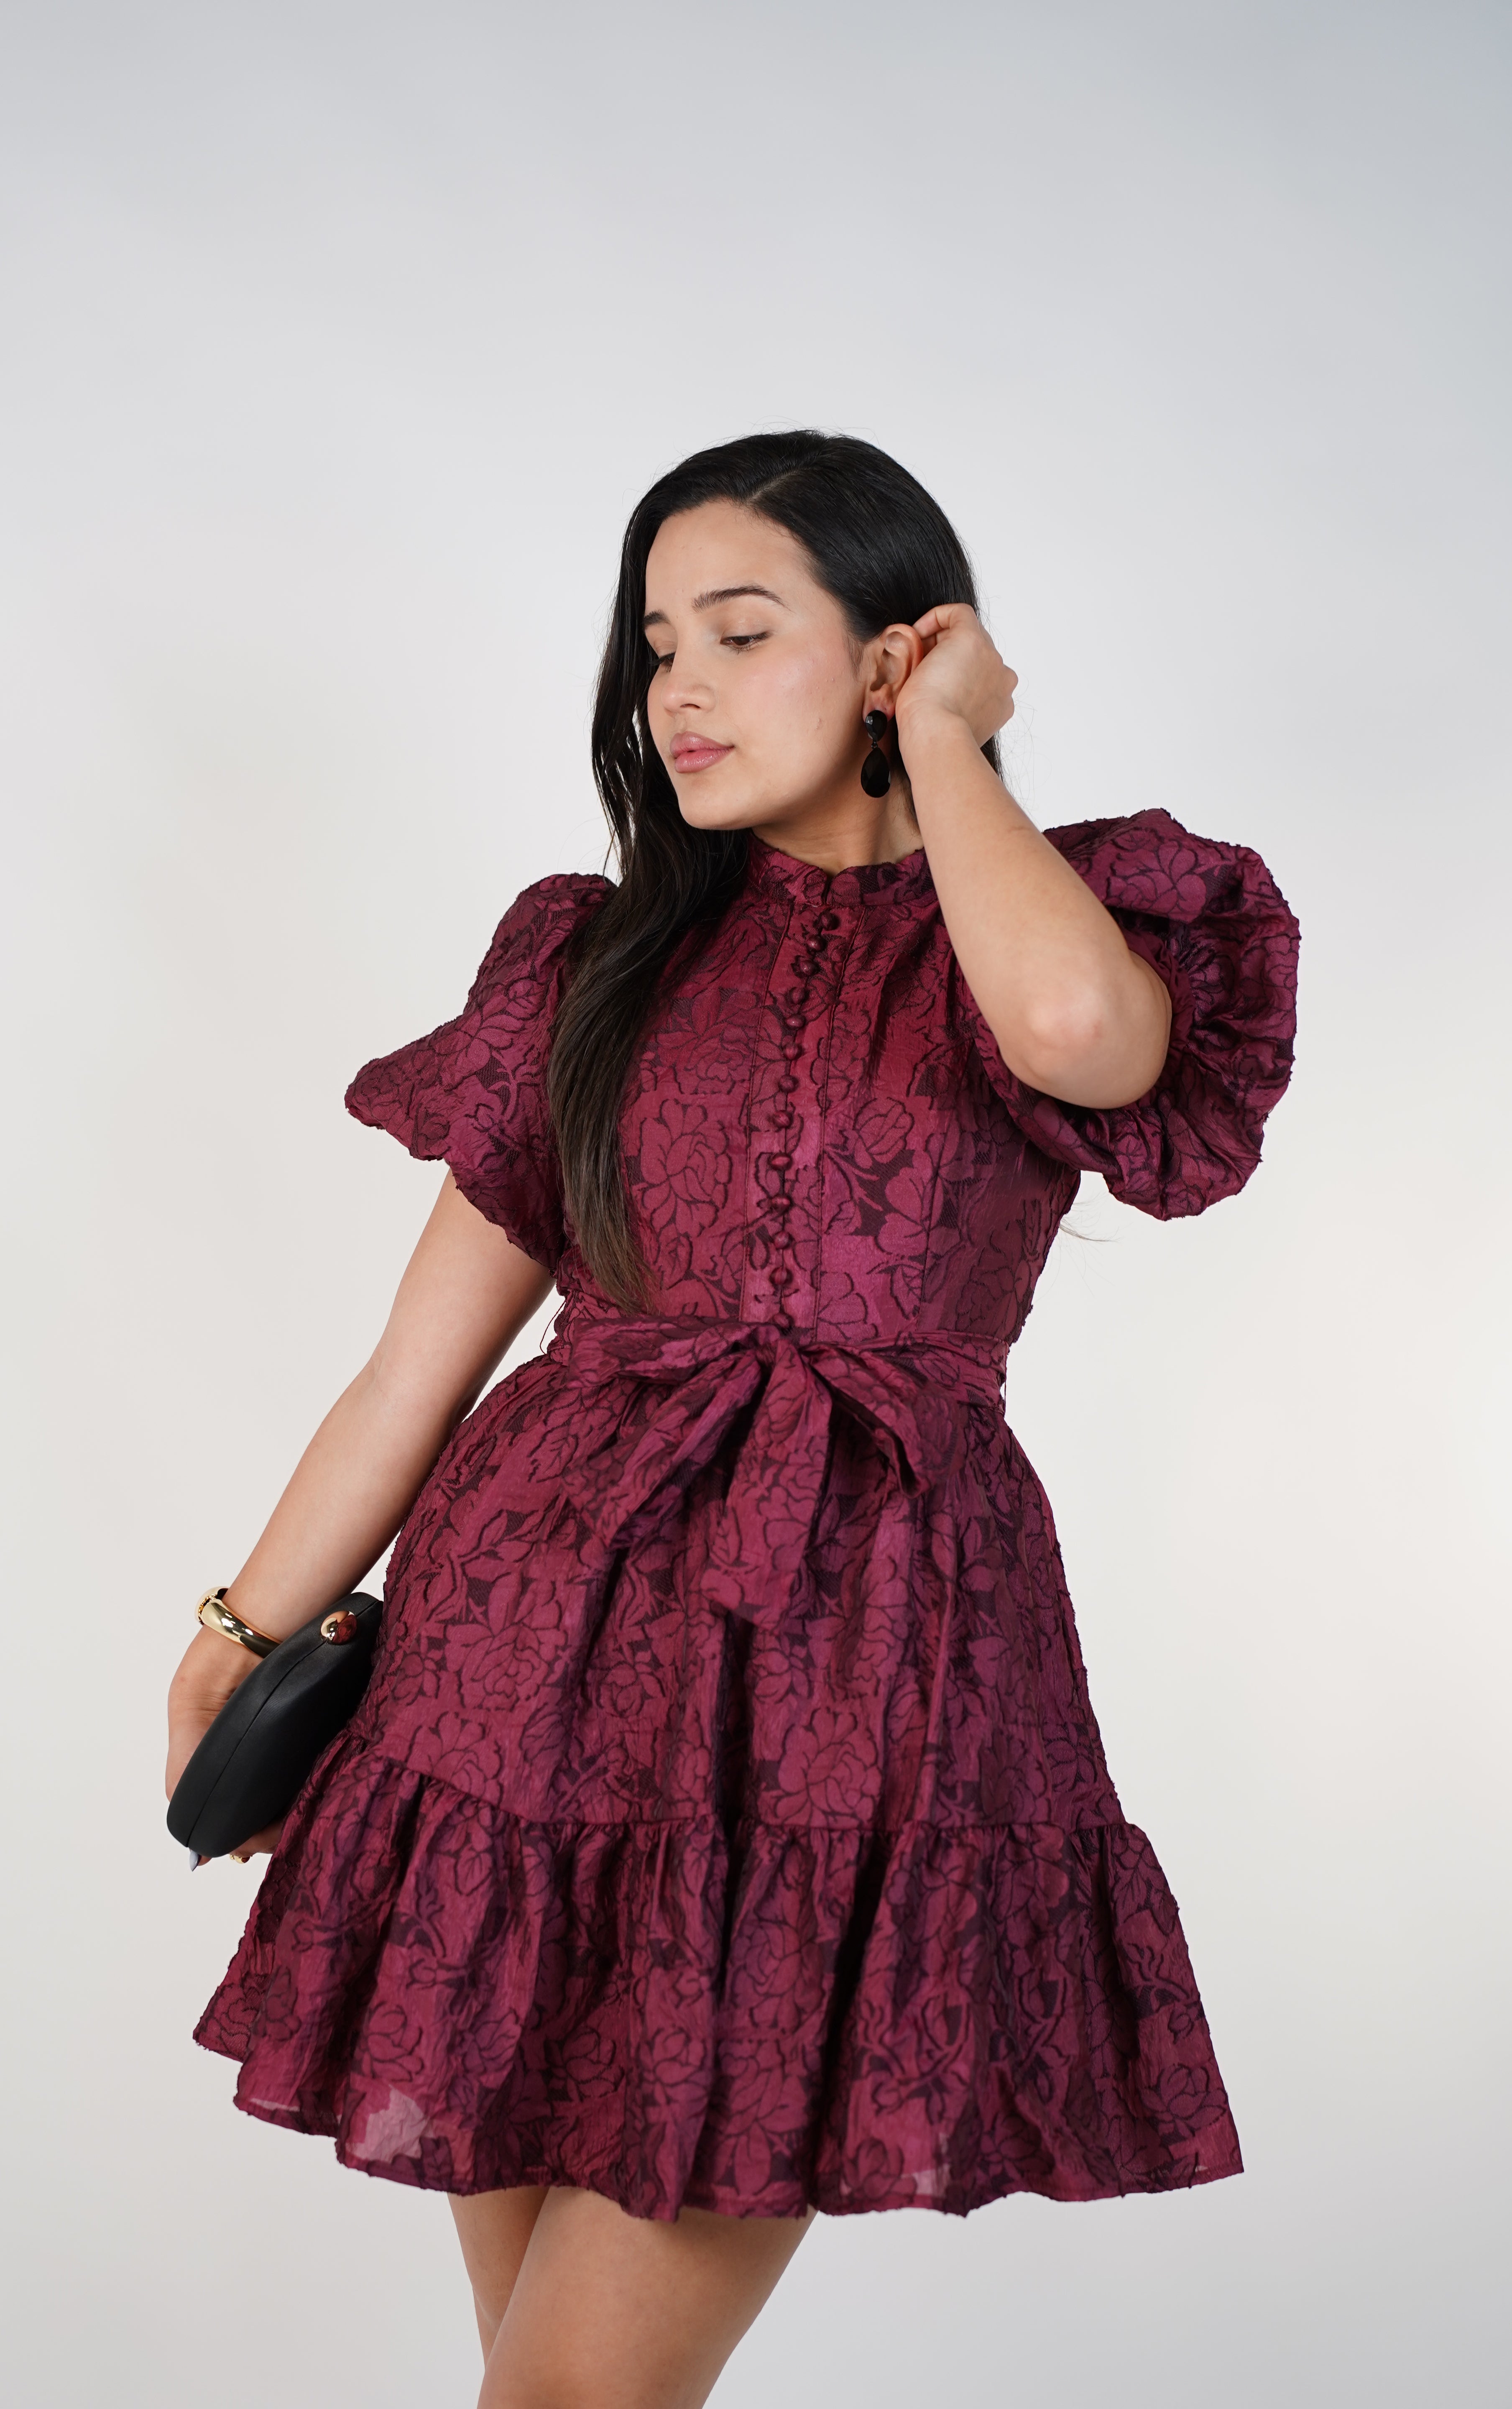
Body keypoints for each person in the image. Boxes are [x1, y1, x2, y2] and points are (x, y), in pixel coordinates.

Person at [166, 430, 1299, 2409]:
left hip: (841, 1707)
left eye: (742, 630)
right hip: (519, 1687)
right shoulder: (593, 957)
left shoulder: (1049, 928)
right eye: (656, 642)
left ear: (894, 649)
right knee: (543, 2382)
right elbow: (414, 1370)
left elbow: (1079, 1041)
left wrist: (947, 743)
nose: (676, 685)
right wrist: (237, 1632)